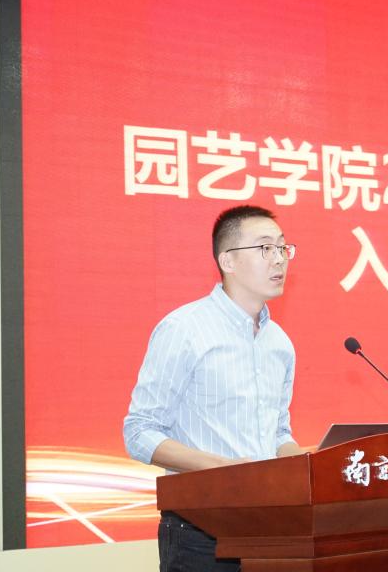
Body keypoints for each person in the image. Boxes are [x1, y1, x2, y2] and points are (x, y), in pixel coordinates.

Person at [124, 205, 302, 572]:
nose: (279, 259)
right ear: (228, 260)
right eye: (265, 248)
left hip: (267, 526)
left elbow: (278, 432)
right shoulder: (184, 329)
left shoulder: (280, 343)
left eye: (283, 248)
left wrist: (305, 465)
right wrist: (225, 469)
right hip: (199, 531)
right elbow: (139, 433)